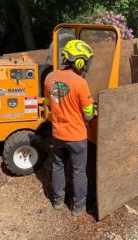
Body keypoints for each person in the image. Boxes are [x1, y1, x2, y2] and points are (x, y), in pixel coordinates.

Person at [44, 39, 97, 217]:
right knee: (79, 171)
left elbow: (48, 103)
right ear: (79, 61)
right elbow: (88, 113)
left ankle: (58, 201)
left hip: (57, 134)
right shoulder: (80, 83)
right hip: (76, 137)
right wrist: (93, 111)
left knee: (58, 166)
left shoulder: (49, 78)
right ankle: (78, 207)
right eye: (85, 62)